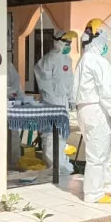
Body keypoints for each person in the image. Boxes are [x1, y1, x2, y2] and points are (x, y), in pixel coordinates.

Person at [75, 18, 111, 204]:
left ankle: (107, 184)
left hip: (86, 110)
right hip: (97, 110)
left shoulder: (84, 60)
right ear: (98, 40)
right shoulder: (97, 61)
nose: (106, 45)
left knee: (103, 151)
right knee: (97, 155)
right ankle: (94, 194)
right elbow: (107, 91)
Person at [35, 30, 79, 175]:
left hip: (63, 102)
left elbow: (70, 81)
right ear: (58, 42)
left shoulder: (67, 60)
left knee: (62, 135)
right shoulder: (48, 60)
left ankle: (61, 163)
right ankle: (52, 164)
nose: (69, 45)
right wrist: (51, 100)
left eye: (70, 43)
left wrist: (71, 98)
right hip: (51, 102)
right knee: (50, 134)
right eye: (66, 42)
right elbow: (44, 82)